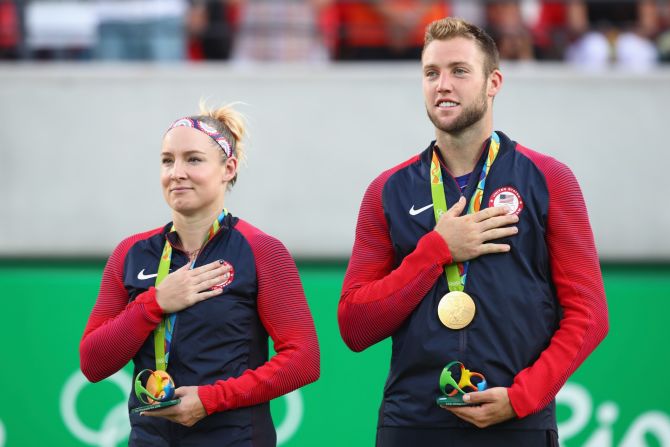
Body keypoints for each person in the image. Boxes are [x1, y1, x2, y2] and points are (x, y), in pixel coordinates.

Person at [338, 17, 608, 446]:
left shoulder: (550, 178)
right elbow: (355, 325)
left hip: (517, 421)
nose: (443, 84)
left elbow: (589, 315)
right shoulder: (387, 191)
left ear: (493, 82)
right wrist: (436, 251)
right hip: (412, 424)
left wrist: (523, 398)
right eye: (431, 73)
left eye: (459, 71)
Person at [80, 104, 320, 446]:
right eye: (167, 160)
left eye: (193, 159)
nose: (177, 172)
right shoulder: (131, 254)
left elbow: (303, 361)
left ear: (228, 168)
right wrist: (155, 302)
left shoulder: (262, 250)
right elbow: (93, 362)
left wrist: (211, 400)